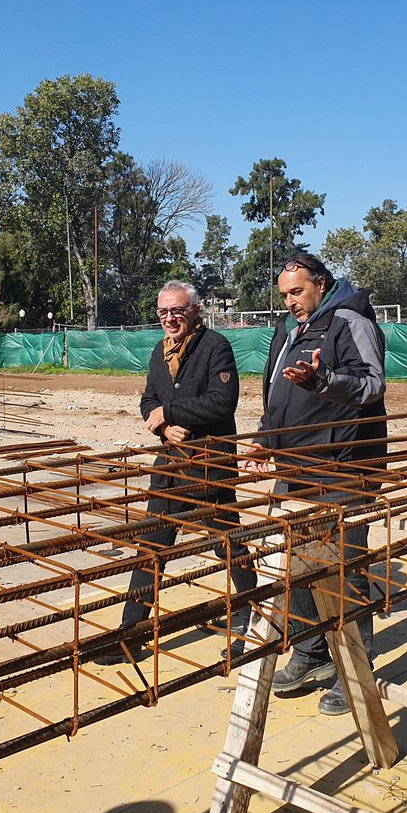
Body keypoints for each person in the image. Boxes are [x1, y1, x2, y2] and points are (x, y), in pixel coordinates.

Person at [241, 253, 387, 715]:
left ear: (320, 284)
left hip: (343, 463)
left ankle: (355, 672)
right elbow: (275, 393)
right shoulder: (287, 331)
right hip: (295, 464)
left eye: (297, 292)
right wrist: (266, 441)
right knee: (296, 562)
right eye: (284, 295)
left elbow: (371, 385)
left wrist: (323, 378)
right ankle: (309, 653)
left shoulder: (349, 321)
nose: (290, 303)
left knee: (345, 568)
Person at [95, 281, 256, 665]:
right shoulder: (159, 350)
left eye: (177, 311)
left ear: (194, 312)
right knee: (151, 548)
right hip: (169, 466)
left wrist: (172, 413)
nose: (169, 319)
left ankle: (253, 615)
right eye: (163, 312)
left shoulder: (216, 346)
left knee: (227, 542)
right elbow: (149, 400)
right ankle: (130, 635)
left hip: (207, 466)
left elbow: (222, 403)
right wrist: (163, 426)